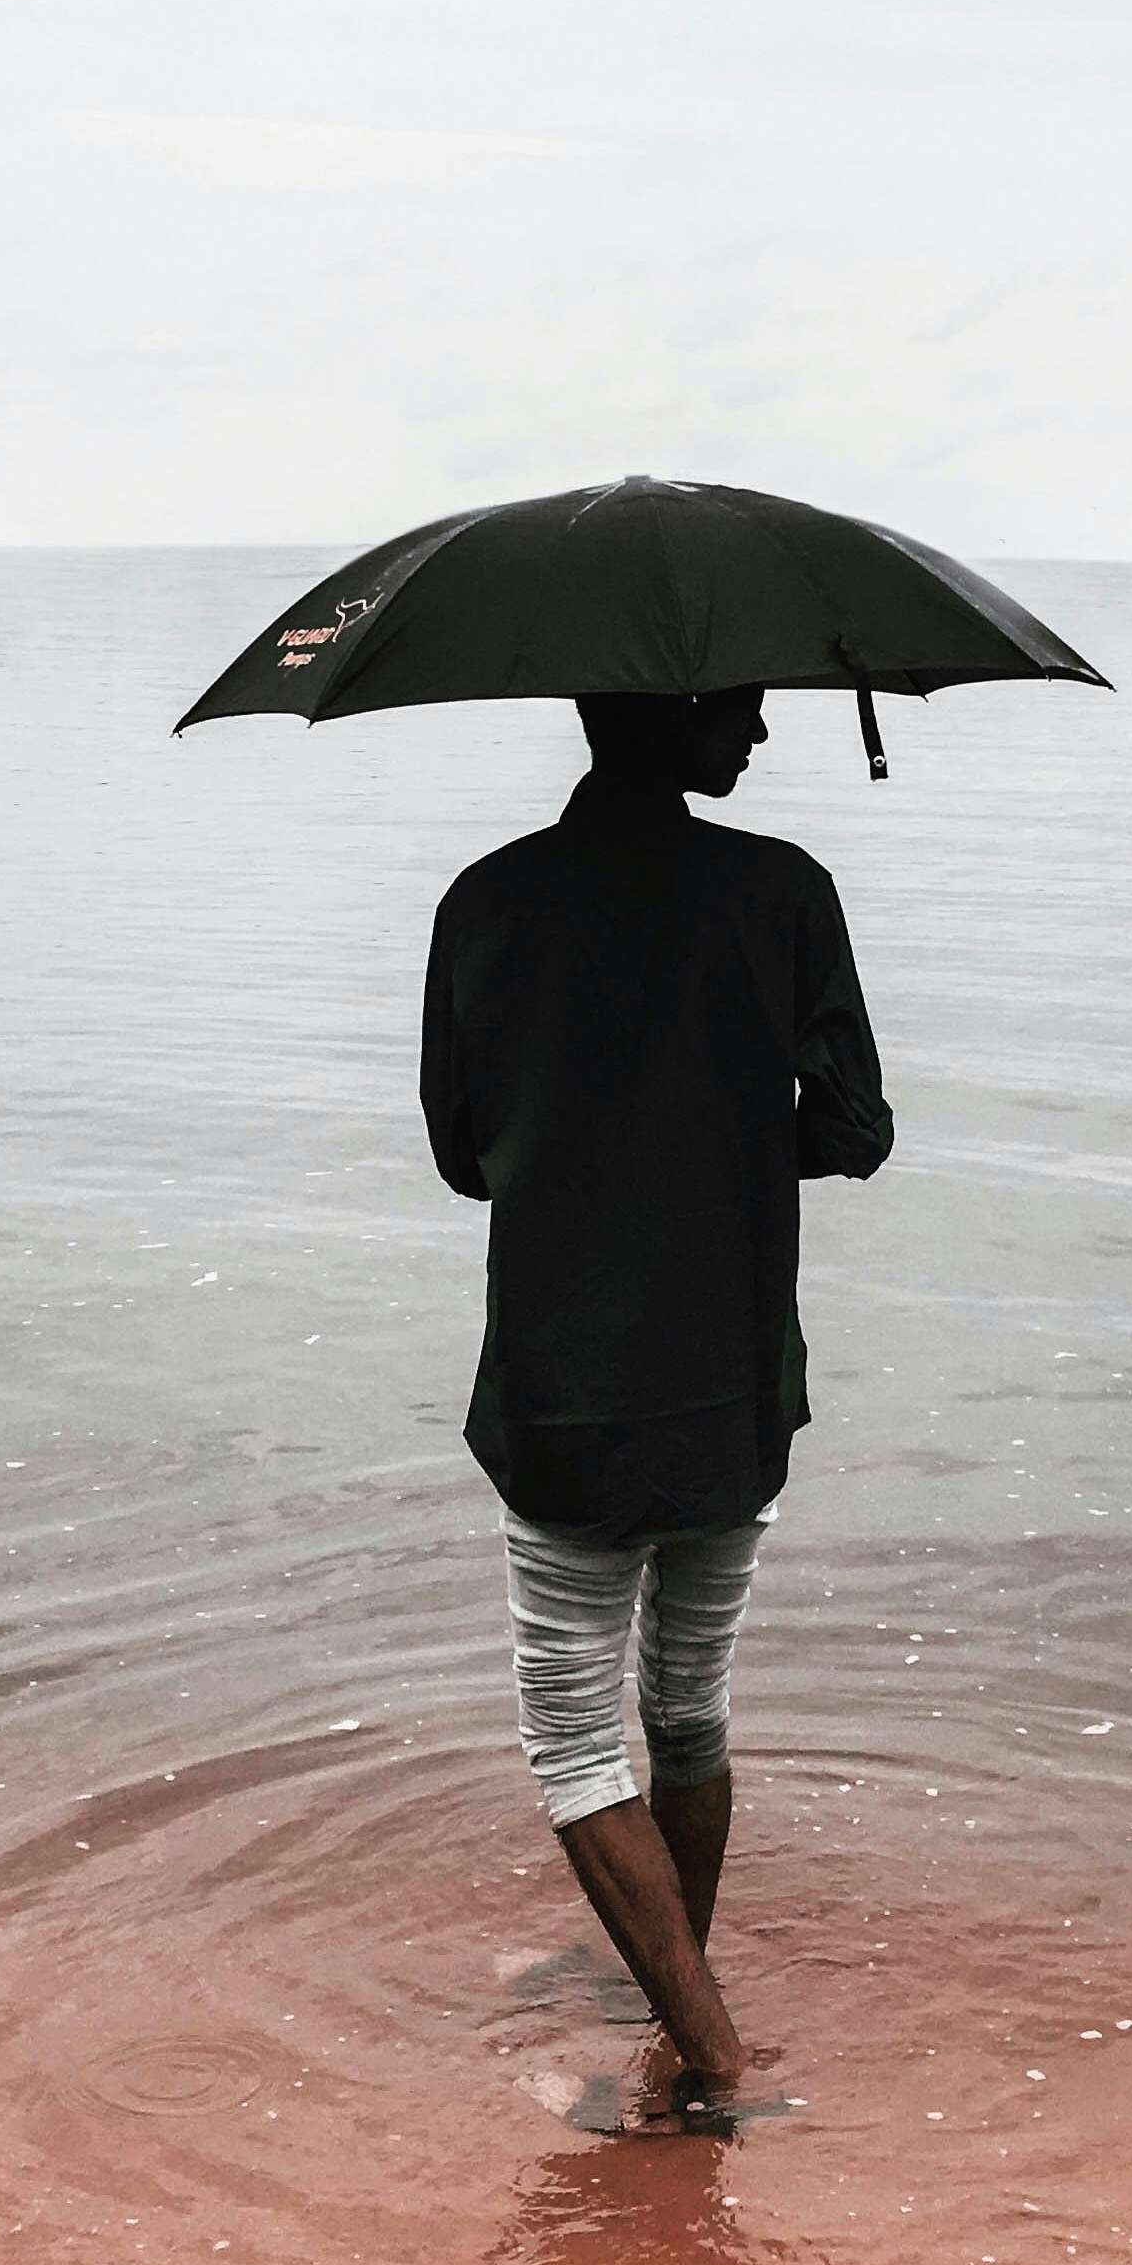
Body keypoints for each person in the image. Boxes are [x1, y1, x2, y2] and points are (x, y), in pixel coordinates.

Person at [419, 683, 894, 2127]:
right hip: (734, 1381)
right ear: (673, 710)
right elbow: (857, 1130)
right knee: (687, 1713)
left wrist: (598, 1130)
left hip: (568, 1388)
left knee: (574, 1741)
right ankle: (672, 1988)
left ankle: (711, 2055)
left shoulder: (490, 902)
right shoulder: (782, 892)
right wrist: (730, 1124)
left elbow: (461, 1155)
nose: (756, 739)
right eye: (740, 713)